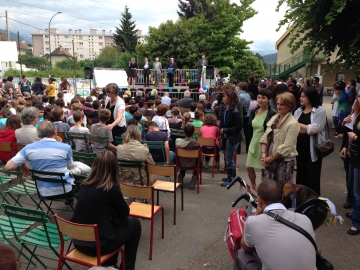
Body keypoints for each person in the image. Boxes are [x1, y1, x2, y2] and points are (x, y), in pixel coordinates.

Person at [70, 151, 141, 270]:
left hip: (78, 242)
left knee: (112, 225)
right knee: (135, 224)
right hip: (95, 246)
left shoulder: (84, 184)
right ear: (114, 168)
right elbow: (124, 212)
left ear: (95, 166)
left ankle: (110, 264)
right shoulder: (111, 188)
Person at [236, 179, 316, 270]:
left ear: (260, 200)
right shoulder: (305, 219)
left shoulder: (253, 221)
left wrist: (257, 214)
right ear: (282, 197)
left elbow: (246, 248)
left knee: (241, 254)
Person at [5, 121, 90, 199]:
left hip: (43, 193)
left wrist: (22, 164)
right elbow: (70, 167)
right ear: (54, 131)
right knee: (79, 170)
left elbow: (8, 167)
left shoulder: (28, 148)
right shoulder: (65, 148)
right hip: (65, 191)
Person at [260, 92, 299, 184]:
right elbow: (265, 136)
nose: (278, 107)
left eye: (282, 104)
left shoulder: (293, 123)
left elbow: (287, 146)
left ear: (290, 106)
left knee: (282, 188)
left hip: (284, 161)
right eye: (277, 104)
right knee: (269, 187)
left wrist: (271, 158)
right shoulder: (275, 118)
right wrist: (263, 154)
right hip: (270, 157)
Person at [294, 87, 326, 195]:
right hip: (300, 148)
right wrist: (306, 128)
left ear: (310, 97)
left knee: (313, 178)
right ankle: (302, 200)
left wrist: (298, 126)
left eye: (303, 96)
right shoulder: (298, 111)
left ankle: (314, 203)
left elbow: (315, 129)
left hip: (314, 150)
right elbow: (294, 129)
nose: (300, 98)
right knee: (301, 176)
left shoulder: (320, 110)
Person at [246, 89, 276, 190]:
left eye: (263, 98)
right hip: (254, 142)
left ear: (269, 100)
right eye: (259, 97)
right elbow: (250, 127)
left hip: (265, 143)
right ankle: (254, 187)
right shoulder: (254, 111)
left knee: (264, 169)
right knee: (249, 167)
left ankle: (263, 190)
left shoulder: (272, 113)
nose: (260, 100)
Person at [341, 90, 360, 235]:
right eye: (359, 95)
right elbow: (347, 132)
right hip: (353, 155)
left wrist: (355, 138)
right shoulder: (356, 113)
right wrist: (346, 147)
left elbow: (354, 135)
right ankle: (356, 214)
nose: (358, 98)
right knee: (353, 186)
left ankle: (357, 223)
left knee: (358, 191)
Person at [219, 86, 243, 186]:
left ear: (229, 98)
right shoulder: (227, 109)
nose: (223, 98)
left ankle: (231, 179)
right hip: (227, 136)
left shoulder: (235, 111)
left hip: (232, 137)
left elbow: (239, 126)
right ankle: (231, 176)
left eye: (224, 97)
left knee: (229, 160)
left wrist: (225, 130)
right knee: (228, 158)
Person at [175, 123, 202, 190]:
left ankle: (181, 175)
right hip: (193, 164)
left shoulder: (178, 142)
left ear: (184, 131)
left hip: (182, 163)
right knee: (198, 159)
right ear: (193, 132)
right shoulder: (196, 144)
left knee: (184, 160)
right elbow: (200, 157)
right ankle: (194, 177)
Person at [237, 82, 251, 152]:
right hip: (247, 114)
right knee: (247, 132)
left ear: (240, 87)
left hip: (241, 114)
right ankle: (248, 148)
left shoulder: (239, 95)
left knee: (239, 131)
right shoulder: (248, 95)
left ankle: (238, 149)